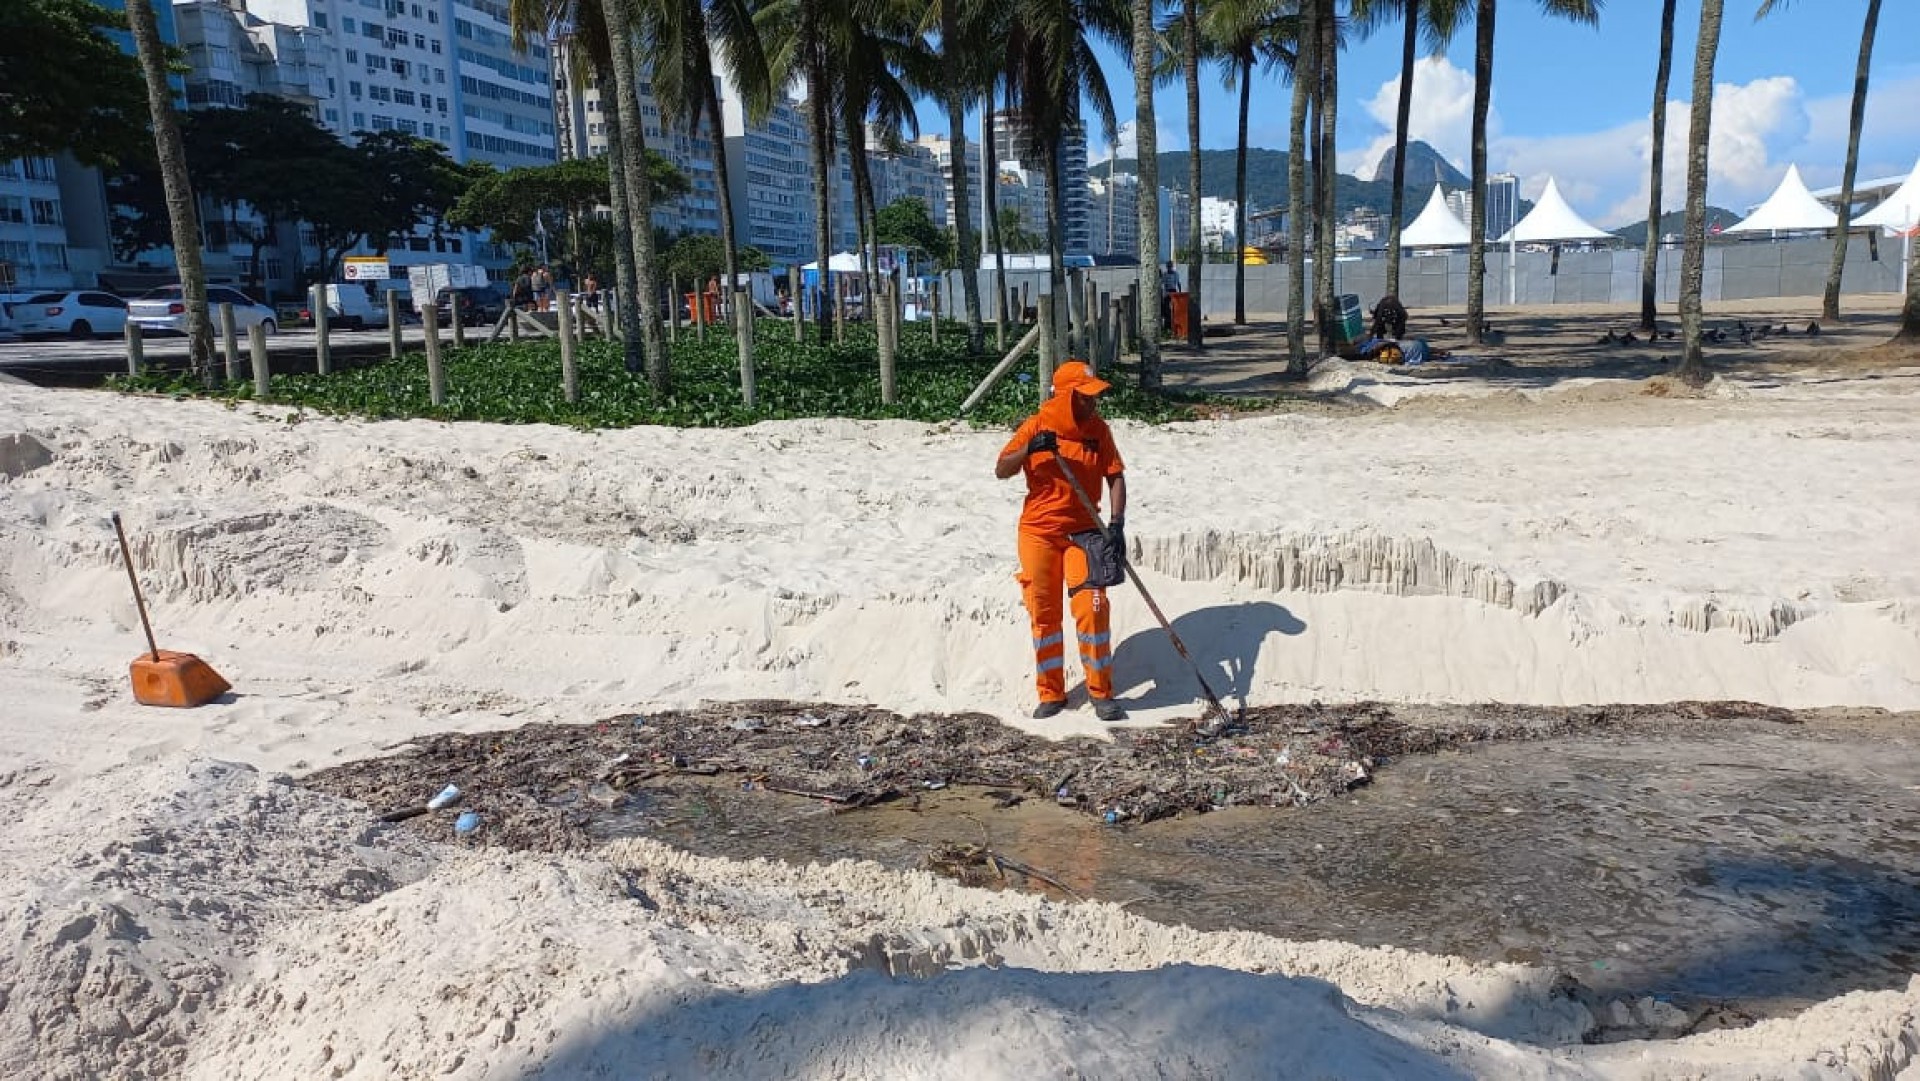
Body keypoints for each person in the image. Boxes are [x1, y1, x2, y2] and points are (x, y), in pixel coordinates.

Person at [994, 360, 1129, 722]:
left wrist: (1117, 525)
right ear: (1067, 396)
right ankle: (1051, 692)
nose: (1093, 403)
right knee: (1044, 613)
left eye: (1095, 396)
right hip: (1039, 533)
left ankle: (1101, 692)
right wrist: (1030, 448)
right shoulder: (1037, 425)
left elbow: (1115, 476)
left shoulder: (1098, 430)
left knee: (1093, 606)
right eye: (1085, 397)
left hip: (1086, 534)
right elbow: (1002, 469)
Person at [1158, 261, 1182, 333]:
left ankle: (1174, 324)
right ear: (1166, 267)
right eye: (1168, 266)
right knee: (1166, 309)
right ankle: (1167, 325)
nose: (1169, 268)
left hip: (1173, 291)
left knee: (1175, 308)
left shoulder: (1175, 274)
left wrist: (1180, 293)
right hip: (1167, 292)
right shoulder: (1165, 274)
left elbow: (1178, 283)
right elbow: (1162, 283)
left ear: (1172, 266)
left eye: (1170, 266)